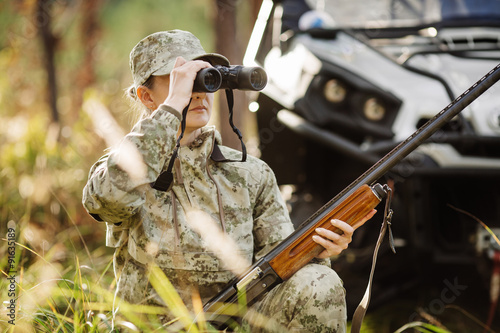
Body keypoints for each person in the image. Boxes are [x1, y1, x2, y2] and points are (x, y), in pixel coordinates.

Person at [82, 29, 375, 332]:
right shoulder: (126, 167)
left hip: (237, 325)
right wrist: (171, 109)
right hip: (154, 326)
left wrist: (321, 251)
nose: (198, 92)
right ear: (146, 96)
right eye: (181, 80)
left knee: (318, 282)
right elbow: (106, 200)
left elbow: (280, 266)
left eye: (205, 78)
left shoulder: (251, 174)